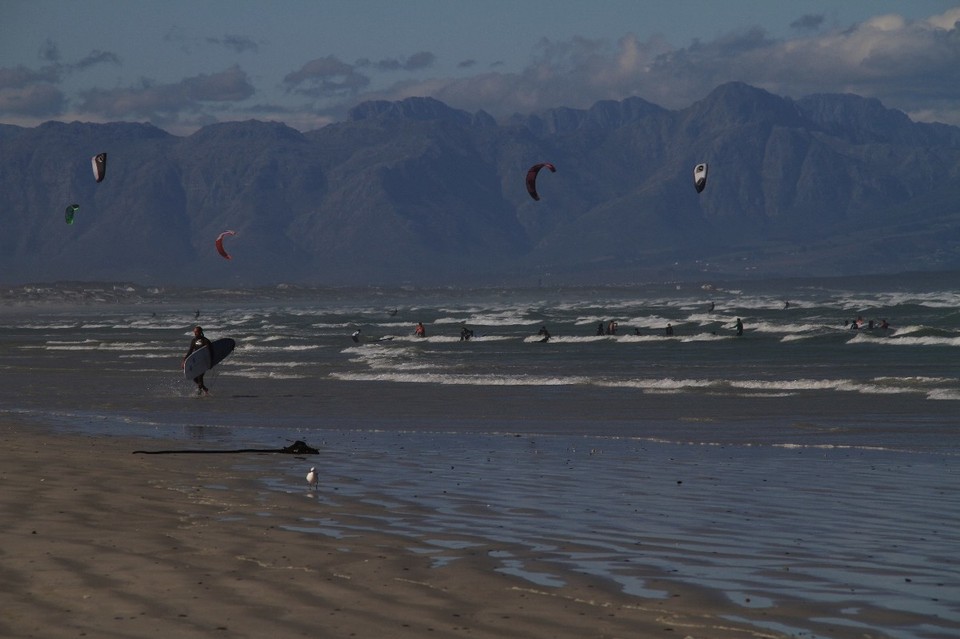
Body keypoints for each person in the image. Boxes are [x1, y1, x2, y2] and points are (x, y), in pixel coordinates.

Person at [183, 325, 212, 395]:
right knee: (194, 377)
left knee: (200, 377)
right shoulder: (194, 340)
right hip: (196, 362)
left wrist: (210, 362)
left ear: (200, 332)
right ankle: (205, 389)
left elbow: (210, 353)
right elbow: (190, 351)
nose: (195, 333)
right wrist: (184, 361)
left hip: (203, 362)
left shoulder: (206, 341)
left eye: (196, 332)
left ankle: (199, 392)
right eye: (194, 332)